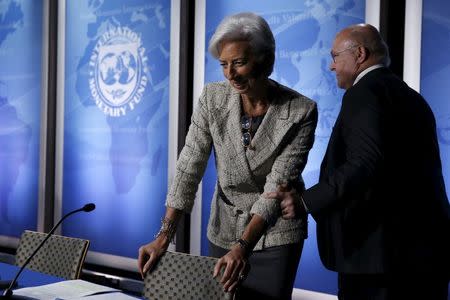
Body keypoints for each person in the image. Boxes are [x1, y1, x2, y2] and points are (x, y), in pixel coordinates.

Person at [137, 12, 318, 300]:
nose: (230, 74)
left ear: (265, 61)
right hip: (224, 226)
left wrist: (243, 247)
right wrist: (164, 236)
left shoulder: (301, 110)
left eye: (239, 62)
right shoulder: (212, 97)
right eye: (223, 64)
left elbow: (277, 188)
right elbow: (189, 166)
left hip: (275, 234)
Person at [266, 24, 450, 300]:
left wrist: (305, 202)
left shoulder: (364, 94)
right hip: (426, 254)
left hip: (379, 263)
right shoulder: (411, 97)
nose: (331, 66)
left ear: (360, 54)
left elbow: (364, 164)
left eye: (335, 56)